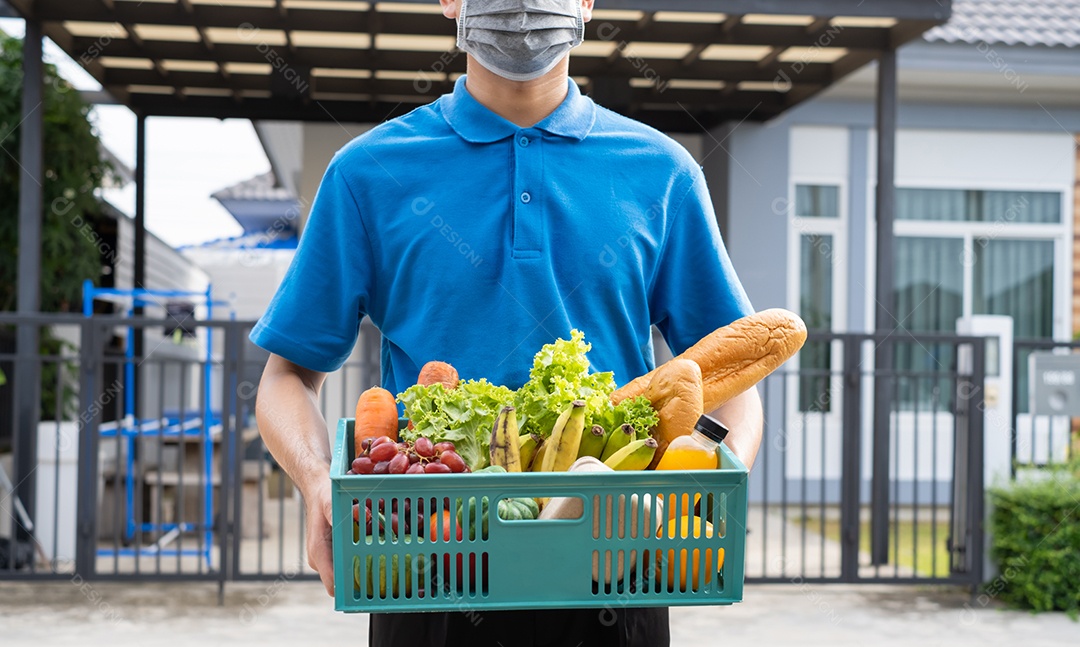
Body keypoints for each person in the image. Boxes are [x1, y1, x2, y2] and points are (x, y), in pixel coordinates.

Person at [250, 0, 764, 645]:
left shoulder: (661, 172)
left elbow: (733, 378)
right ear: (449, 1)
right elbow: (288, 375)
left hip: (613, 571)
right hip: (427, 566)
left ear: (585, 3)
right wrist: (317, 482)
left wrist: (712, 488)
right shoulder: (368, 172)